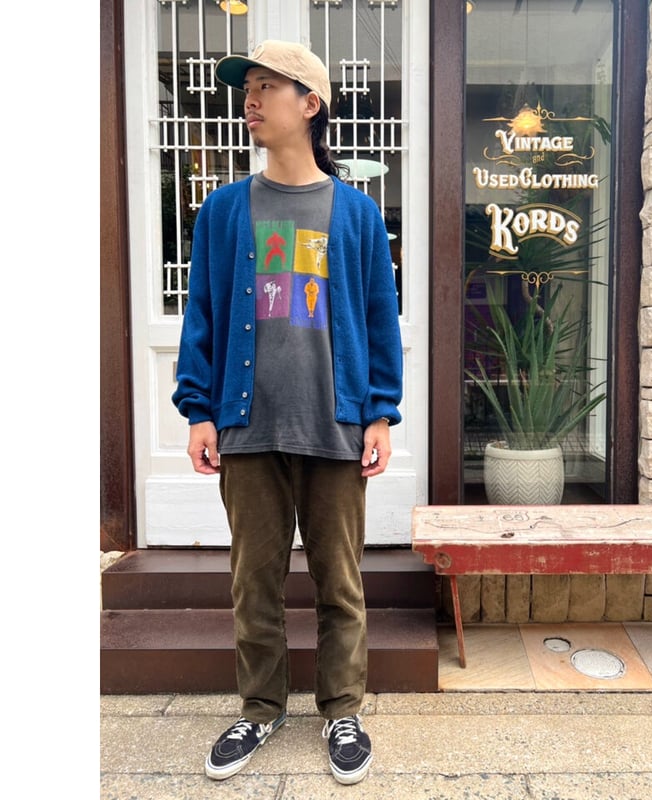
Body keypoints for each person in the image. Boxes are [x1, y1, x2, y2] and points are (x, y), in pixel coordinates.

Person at [171, 39, 403, 786]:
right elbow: (203, 315)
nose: (250, 99)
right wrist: (198, 409)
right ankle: (261, 706)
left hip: (334, 426)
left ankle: (342, 710)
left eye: (267, 86)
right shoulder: (223, 211)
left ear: (310, 104)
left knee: (340, 584)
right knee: (254, 583)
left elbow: (380, 318)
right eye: (247, 87)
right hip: (247, 427)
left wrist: (379, 413)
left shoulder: (357, 214)